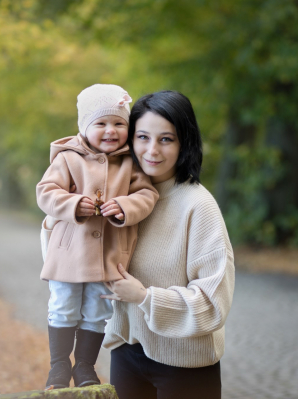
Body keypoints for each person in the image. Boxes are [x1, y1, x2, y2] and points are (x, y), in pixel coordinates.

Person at [101, 90, 235, 399]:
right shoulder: (121, 198)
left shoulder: (198, 206)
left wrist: (145, 297)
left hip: (185, 365)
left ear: (184, 142)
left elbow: (213, 304)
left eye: (166, 139)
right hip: (126, 352)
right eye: (143, 137)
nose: (152, 150)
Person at [36, 84, 159, 390]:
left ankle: (85, 367)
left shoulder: (131, 163)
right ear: (84, 127)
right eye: (101, 123)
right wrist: (73, 203)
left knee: (97, 310)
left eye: (119, 123)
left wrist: (126, 206)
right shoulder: (68, 158)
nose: (110, 130)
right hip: (70, 251)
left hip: (109, 254)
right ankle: (59, 366)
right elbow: (46, 193)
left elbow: (148, 194)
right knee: (63, 304)